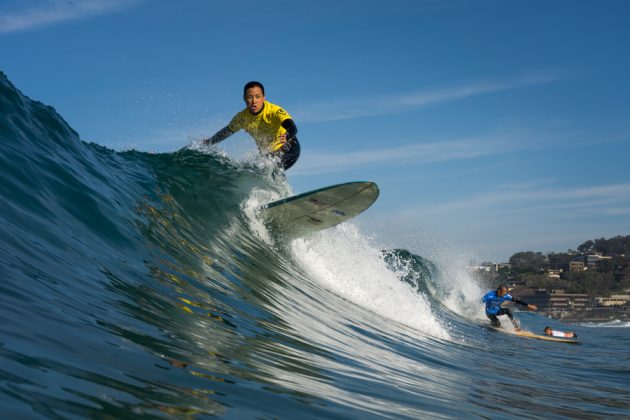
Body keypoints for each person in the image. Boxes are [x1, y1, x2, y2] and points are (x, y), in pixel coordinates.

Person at [202, 81, 300, 170]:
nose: (254, 101)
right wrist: (209, 142)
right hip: (268, 154)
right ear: (244, 98)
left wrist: (286, 136)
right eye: (250, 97)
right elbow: (226, 132)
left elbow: (293, 128)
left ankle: (280, 187)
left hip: (289, 147)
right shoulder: (241, 118)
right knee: (255, 168)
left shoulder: (274, 111)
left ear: (263, 98)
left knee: (271, 167)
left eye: (257, 97)